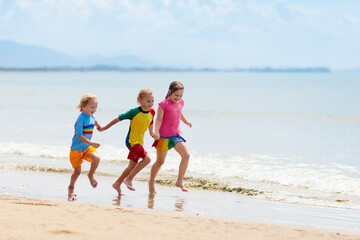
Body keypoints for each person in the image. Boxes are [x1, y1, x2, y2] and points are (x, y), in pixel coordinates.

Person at [99, 88, 155, 197]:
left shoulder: (152, 112)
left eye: (152, 101)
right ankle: (129, 179)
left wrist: (151, 133)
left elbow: (150, 121)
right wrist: (104, 128)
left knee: (131, 166)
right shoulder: (134, 112)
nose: (151, 103)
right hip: (132, 142)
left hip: (139, 142)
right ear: (140, 100)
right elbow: (118, 118)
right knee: (147, 159)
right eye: (148, 101)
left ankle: (117, 184)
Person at [149, 81, 192, 195]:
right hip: (163, 137)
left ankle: (179, 181)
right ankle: (151, 183)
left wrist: (186, 121)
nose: (178, 98)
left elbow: (179, 113)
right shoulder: (163, 104)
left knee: (186, 155)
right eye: (176, 95)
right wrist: (156, 132)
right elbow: (158, 120)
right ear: (169, 92)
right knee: (160, 162)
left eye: (180, 96)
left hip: (176, 135)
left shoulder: (180, 102)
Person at [68, 93, 102, 201]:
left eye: (96, 107)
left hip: (87, 147)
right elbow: (79, 135)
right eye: (92, 107)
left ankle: (90, 175)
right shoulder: (80, 119)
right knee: (77, 172)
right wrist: (91, 143)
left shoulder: (91, 116)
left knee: (96, 158)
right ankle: (71, 187)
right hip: (76, 149)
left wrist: (98, 126)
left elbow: (94, 120)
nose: (94, 109)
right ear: (84, 107)